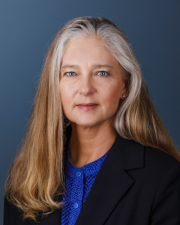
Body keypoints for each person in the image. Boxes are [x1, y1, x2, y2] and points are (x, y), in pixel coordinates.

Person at [3, 16, 180, 225]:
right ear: (55, 85)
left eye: (102, 73)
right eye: (71, 73)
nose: (86, 89)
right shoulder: (26, 177)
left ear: (125, 85)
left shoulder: (164, 177)